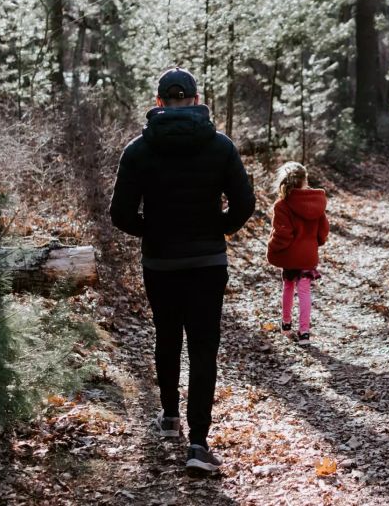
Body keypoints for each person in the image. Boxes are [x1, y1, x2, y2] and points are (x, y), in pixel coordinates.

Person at [109, 67, 255, 473]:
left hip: (161, 261)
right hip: (208, 262)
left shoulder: (138, 149)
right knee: (204, 347)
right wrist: (216, 230)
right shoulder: (220, 146)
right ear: (194, 100)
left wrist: (152, 233)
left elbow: (119, 213)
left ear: (159, 102)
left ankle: (169, 417)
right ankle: (198, 443)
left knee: (167, 335)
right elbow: (244, 204)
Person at [266, 162, 329, 346]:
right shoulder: (316, 202)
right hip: (308, 255)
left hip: (290, 256)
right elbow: (323, 231)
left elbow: (282, 235)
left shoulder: (282, 204)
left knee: (288, 286)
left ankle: (286, 325)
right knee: (304, 291)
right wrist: (314, 243)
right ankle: (304, 333)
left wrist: (272, 247)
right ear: (305, 180)